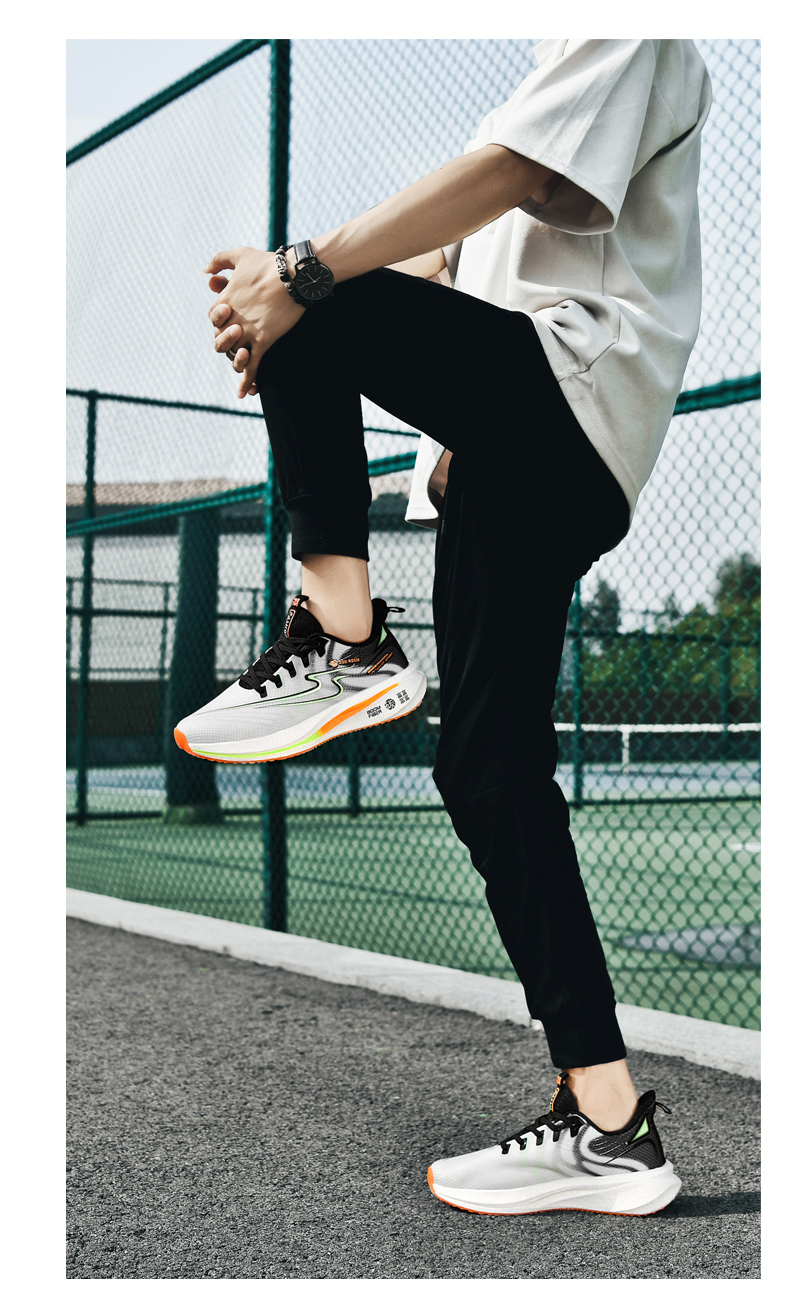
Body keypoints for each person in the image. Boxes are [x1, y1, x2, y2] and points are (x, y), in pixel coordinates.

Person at [175, 39, 711, 1216]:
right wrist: (274, 286)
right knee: (484, 768)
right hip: (504, 455)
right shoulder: (547, 66)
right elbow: (439, 249)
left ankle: (346, 638)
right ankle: (609, 1122)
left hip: (568, 398)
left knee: (316, 301)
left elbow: (517, 172)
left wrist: (299, 278)